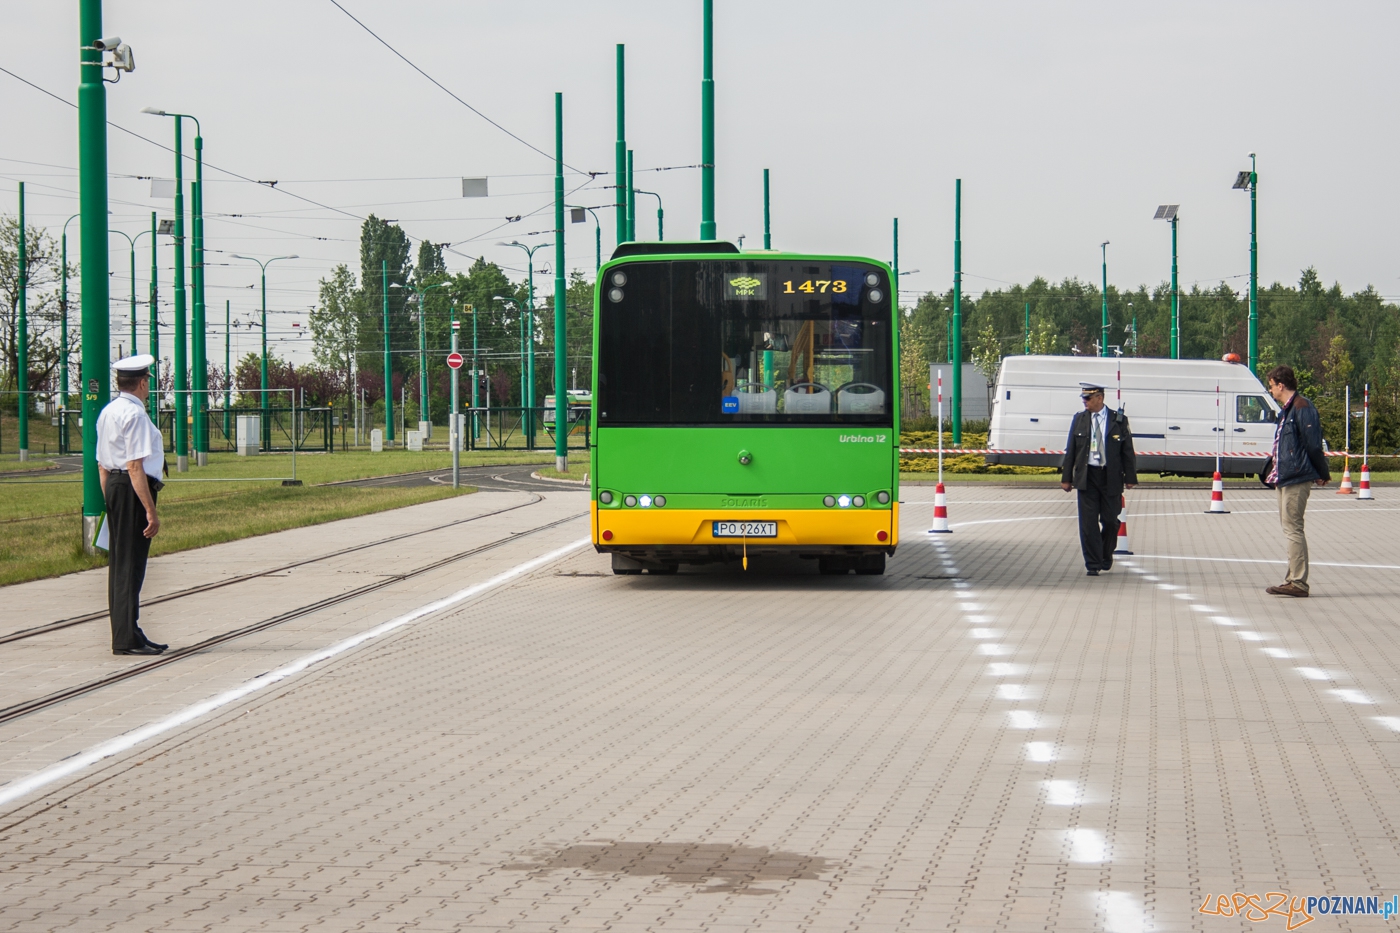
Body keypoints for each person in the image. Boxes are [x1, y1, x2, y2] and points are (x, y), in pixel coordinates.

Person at [96, 354, 169, 655]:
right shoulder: (136, 415)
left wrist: (111, 501)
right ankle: (126, 638)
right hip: (132, 488)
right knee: (131, 566)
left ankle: (131, 631)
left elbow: (102, 464)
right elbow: (135, 466)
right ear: (142, 383)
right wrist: (149, 509)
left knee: (121, 564)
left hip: (115, 487)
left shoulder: (108, 411)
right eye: (148, 382)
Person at [1262, 365, 1329, 597]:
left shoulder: (1303, 407)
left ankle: (1298, 582)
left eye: (1271, 386)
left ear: (1281, 385)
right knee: (1289, 527)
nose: (1270, 390)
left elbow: (1313, 444)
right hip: (1285, 476)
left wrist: (1322, 472)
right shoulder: (1287, 410)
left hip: (1297, 475)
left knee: (1293, 529)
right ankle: (1291, 578)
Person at [1061, 382, 1137, 576]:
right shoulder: (1079, 419)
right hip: (1087, 476)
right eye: (1083, 398)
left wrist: (1130, 477)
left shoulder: (1118, 420)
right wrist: (1066, 478)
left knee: (1111, 521)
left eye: (1088, 398)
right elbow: (1071, 450)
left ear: (1100, 398)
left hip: (1110, 476)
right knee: (1088, 524)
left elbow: (1127, 451)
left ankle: (1105, 553)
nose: (1085, 401)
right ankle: (1093, 564)